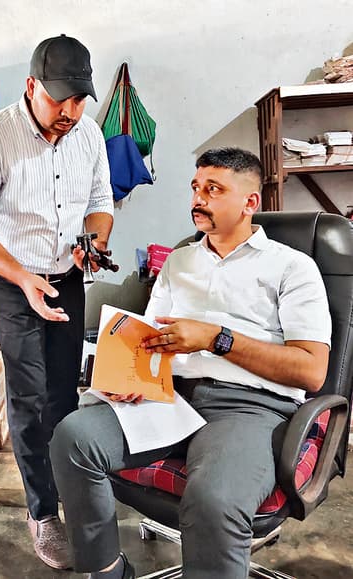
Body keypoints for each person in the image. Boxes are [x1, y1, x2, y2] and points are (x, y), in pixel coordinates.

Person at [49, 148, 331, 579]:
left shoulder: (291, 267)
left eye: (213, 189)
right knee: (73, 437)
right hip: (170, 399)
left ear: (249, 203)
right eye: (196, 188)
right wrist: (131, 378)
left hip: (249, 408)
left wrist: (217, 339)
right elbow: (151, 339)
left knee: (214, 498)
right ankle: (108, 570)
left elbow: (311, 370)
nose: (198, 198)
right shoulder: (179, 261)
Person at [0, 34, 117, 570]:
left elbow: (100, 201)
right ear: (31, 86)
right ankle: (42, 512)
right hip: (13, 283)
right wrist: (23, 278)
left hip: (66, 278)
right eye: (59, 99)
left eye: (79, 100)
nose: (70, 112)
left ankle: (68, 488)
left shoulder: (88, 134)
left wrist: (94, 241)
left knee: (63, 395)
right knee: (27, 397)